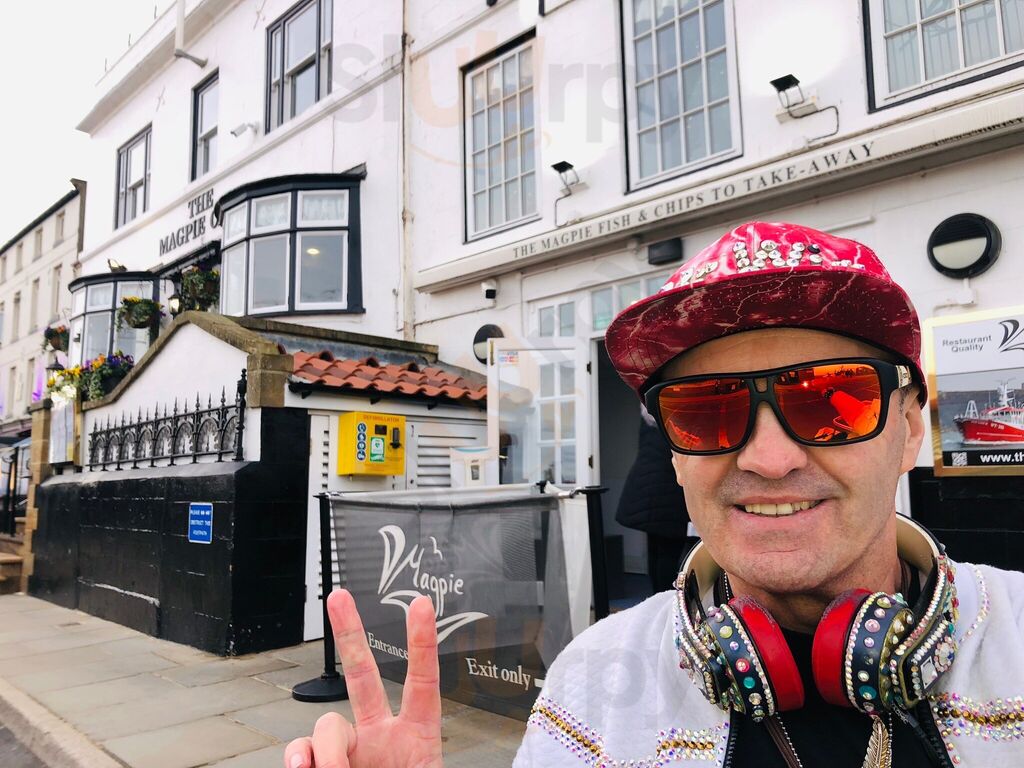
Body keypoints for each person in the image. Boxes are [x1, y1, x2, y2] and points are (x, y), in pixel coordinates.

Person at [285, 222, 1024, 768]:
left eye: (832, 399)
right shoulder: (590, 684)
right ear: (674, 454)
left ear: (910, 428)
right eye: (708, 410)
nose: (769, 459)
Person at [615, 405, 696, 593]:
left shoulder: (649, 419)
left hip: (648, 489)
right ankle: (666, 598)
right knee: (669, 552)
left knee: (658, 550)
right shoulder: (674, 421)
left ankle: (659, 596)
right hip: (666, 492)